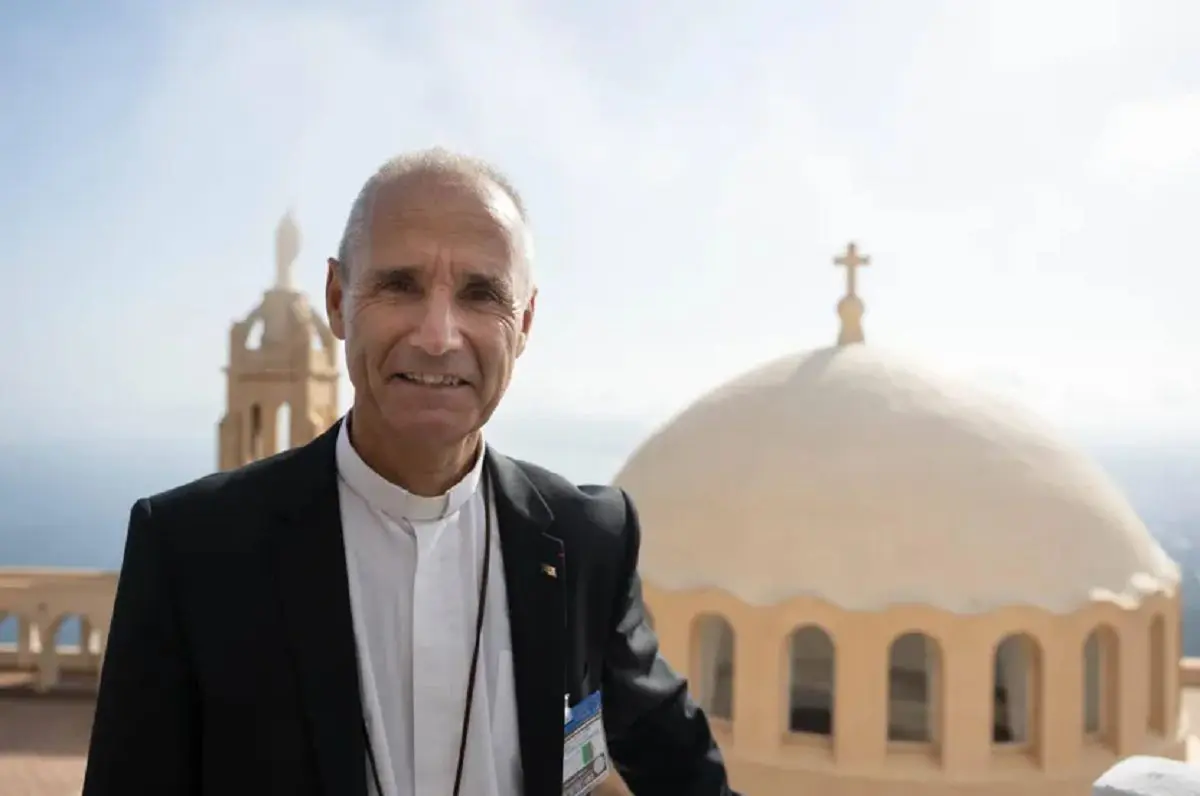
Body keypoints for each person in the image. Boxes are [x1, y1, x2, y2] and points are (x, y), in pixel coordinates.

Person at [82, 148, 739, 796]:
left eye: (482, 295)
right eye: (400, 285)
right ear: (339, 301)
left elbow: (686, 779)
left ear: (526, 324)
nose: (438, 335)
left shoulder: (588, 540)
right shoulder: (192, 550)